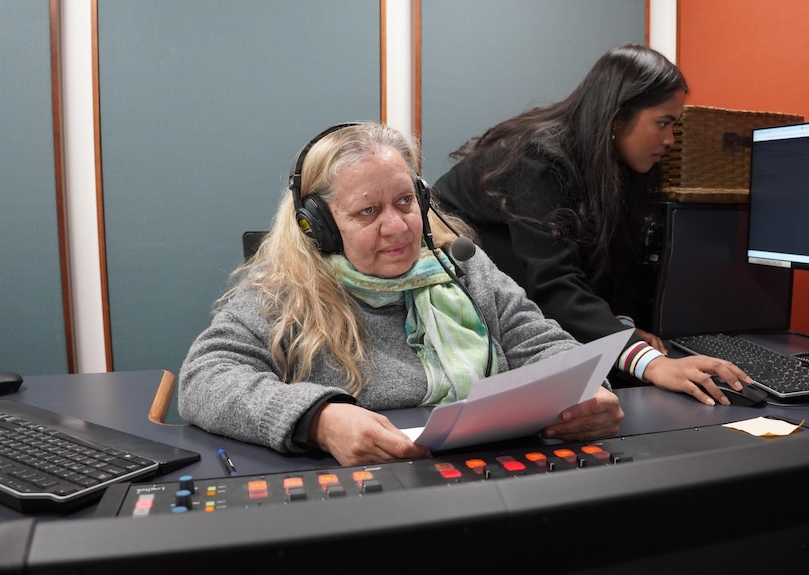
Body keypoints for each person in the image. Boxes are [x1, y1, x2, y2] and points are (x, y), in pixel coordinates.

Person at [178, 122, 624, 466]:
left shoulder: (462, 266)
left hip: (487, 472)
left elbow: (543, 344)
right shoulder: (285, 291)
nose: (396, 227)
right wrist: (319, 420)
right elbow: (205, 378)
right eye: (368, 211)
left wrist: (584, 395)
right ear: (321, 224)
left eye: (405, 202)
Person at [433, 44, 752, 407]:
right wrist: (651, 363)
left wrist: (623, 329)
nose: (670, 140)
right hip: (455, 289)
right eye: (663, 123)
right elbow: (553, 284)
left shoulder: (611, 165)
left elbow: (610, 264)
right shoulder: (537, 161)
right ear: (616, 119)